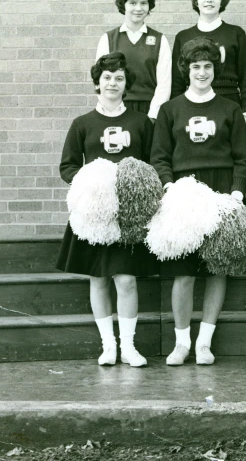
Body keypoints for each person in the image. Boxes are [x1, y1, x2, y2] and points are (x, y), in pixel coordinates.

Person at [151, 37, 246, 366]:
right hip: (183, 193)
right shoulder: (170, 109)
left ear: (215, 70)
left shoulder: (230, 109)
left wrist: (236, 193)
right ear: (186, 70)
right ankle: (182, 343)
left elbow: (242, 158)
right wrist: (170, 188)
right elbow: (160, 157)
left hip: (221, 190)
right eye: (195, 66)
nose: (202, 72)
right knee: (184, 273)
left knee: (216, 269)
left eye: (208, 66)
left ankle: (204, 343)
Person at [57, 52, 154, 367]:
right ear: (97, 83)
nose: (113, 83)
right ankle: (108, 346)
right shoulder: (82, 124)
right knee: (98, 279)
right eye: (107, 77)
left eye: (119, 78)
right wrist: (91, 183)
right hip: (94, 215)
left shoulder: (141, 123)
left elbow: (153, 166)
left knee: (126, 280)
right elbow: (68, 167)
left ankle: (128, 347)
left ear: (126, 85)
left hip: (127, 215)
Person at [171, 0, 246, 130]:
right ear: (195, 0)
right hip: (193, 102)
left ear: (222, 0)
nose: (209, 0)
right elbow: (177, 83)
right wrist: (177, 112)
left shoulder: (236, 33)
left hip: (229, 100)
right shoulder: (183, 37)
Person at [95, 0, 172, 121]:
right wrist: (111, 110)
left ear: (149, 6)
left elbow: (164, 84)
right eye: (133, 3)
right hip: (118, 108)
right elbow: (100, 81)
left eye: (143, 3)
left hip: (149, 109)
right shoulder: (108, 39)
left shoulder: (160, 40)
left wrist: (153, 115)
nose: (138, 8)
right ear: (124, 5)